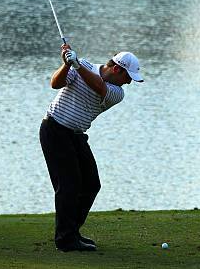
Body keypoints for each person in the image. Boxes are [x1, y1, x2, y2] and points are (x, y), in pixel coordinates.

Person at [40, 44, 144, 252]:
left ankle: (71, 231)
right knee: (69, 186)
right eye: (128, 76)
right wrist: (66, 65)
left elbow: (99, 87)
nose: (129, 82)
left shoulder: (117, 92)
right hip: (55, 129)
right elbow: (55, 83)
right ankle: (66, 240)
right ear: (117, 69)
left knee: (91, 185)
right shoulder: (83, 66)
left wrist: (76, 65)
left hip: (76, 136)